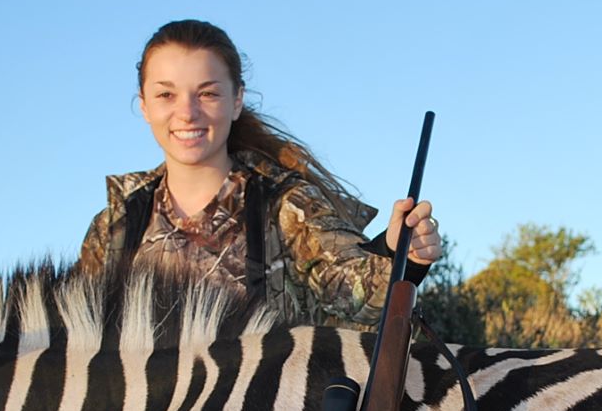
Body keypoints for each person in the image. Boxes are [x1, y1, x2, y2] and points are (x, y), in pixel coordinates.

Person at [78, 20, 443, 327]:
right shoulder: (115, 225)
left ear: (237, 101)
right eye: (166, 95)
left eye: (207, 94)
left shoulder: (286, 204)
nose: (187, 113)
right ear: (143, 105)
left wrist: (398, 253)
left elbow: (352, 293)